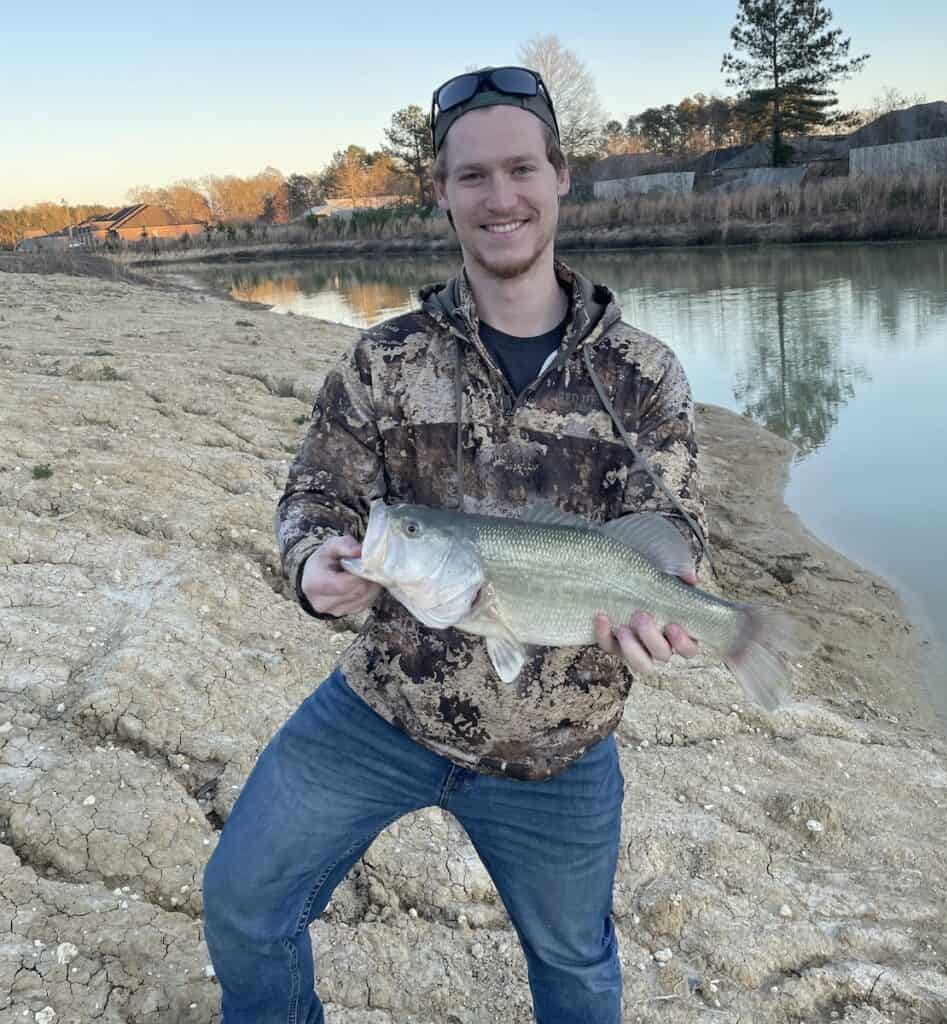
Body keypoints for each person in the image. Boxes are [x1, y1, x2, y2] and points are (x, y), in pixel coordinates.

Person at [202, 65, 709, 1024]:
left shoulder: (644, 374)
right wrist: (313, 562)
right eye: (472, 176)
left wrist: (675, 604)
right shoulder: (382, 359)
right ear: (441, 193)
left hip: (558, 750)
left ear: (561, 177)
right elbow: (317, 490)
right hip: (382, 709)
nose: (500, 196)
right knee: (243, 903)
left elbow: (672, 525)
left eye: (521, 168)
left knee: (579, 973)